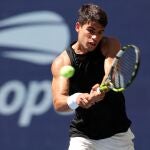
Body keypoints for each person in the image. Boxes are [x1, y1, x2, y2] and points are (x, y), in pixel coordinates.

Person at [51, 3, 135, 150]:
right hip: (83, 138)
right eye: (90, 30)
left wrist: (102, 88)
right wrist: (77, 98)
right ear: (78, 27)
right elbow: (59, 102)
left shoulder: (110, 44)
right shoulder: (63, 62)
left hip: (118, 135)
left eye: (100, 32)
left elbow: (111, 72)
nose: (95, 37)